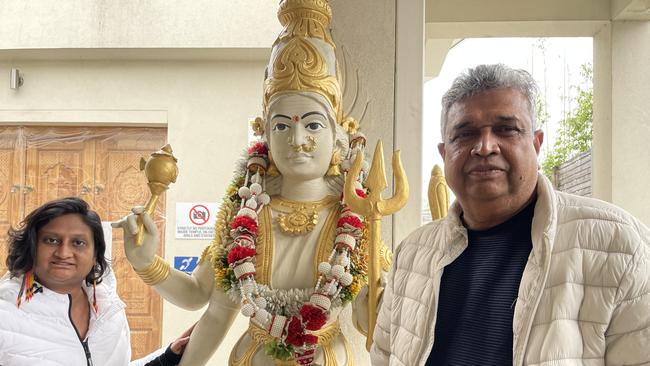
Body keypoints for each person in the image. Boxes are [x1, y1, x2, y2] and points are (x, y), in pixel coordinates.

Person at [111, 1, 381, 365]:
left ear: (339, 135)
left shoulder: (357, 216)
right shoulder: (245, 216)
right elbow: (207, 304)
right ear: (264, 134)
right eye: (282, 126)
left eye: (313, 125)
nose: (297, 140)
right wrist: (146, 264)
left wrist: (387, 297)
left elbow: (370, 321)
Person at [371, 64, 650, 365]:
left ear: (536, 144)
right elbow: (384, 357)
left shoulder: (617, 245)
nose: (485, 147)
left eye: (506, 129)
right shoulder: (412, 254)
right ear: (444, 153)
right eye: (465, 134)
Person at [0, 197, 192, 366]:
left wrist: (166, 358)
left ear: (95, 255)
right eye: (51, 240)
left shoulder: (106, 306)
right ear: (31, 247)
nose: (64, 253)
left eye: (78, 243)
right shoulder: (6, 312)